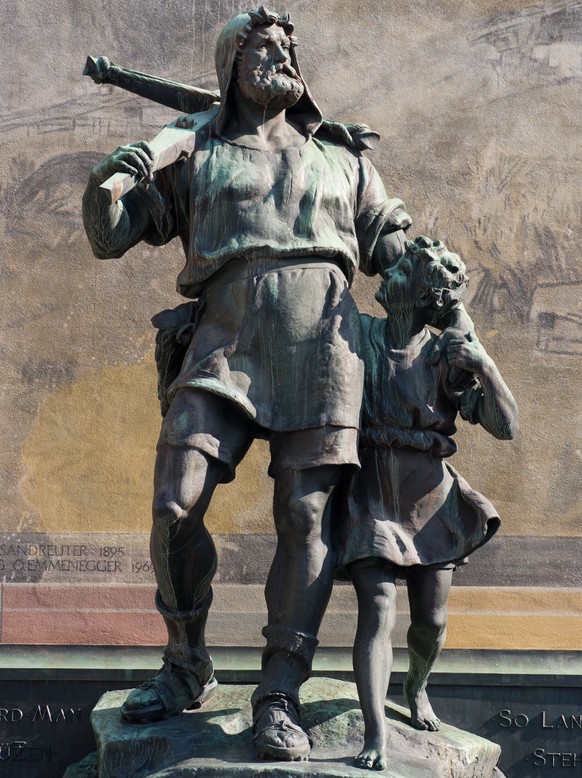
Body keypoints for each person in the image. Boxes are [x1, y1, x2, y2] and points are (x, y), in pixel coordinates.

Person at [82, 7, 465, 762]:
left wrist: (432, 276)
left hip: (326, 350)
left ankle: (278, 693)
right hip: (225, 342)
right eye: (266, 48)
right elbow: (110, 236)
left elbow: (393, 250)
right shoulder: (197, 153)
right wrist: (114, 174)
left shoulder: (344, 159)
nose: (284, 58)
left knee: (305, 517)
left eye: (290, 48)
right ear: (233, 63)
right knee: (174, 503)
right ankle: (186, 659)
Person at [334, 236, 519, 770]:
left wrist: (485, 364)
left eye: (401, 271)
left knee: (431, 624)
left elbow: (506, 428)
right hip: (371, 493)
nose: (386, 275)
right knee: (377, 610)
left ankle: (416, 686)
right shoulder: (360, 333)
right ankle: (376, 734)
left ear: (419, 294)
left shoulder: (444, 354)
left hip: (431, 500)